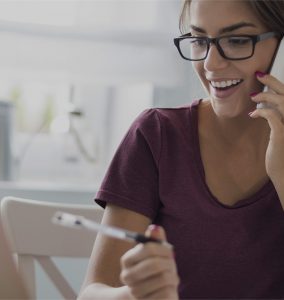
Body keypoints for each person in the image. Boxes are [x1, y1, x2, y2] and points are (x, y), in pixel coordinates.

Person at [79, 0, 284, 299]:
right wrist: (134, 295)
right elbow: (90, 293)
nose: (211, 65)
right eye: (200, 40)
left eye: (237, 40)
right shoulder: (157, 135)